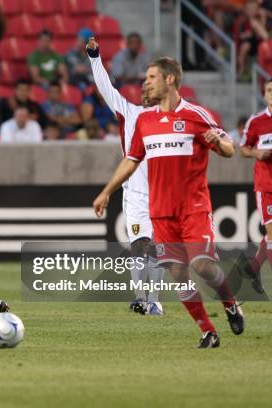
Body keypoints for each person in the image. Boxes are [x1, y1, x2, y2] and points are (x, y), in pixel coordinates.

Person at [93, 57, 243, 348]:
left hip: (193, 208)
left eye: (151, 77)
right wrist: (106, 190)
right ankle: (208, 331)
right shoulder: (144, 121)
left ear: (170, 79)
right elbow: (131, 159)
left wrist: (219, 142)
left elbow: (228, 147)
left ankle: (230, 304)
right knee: (178, 273)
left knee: (202, 266)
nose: (145, 82)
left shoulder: (196, 114)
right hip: (160, 212)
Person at [87, 37, 164, 315]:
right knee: (139, 245)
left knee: (156, 249)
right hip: (135, 194)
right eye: (143, 87)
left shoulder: (168, 118)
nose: (145, 90)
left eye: (150, 86)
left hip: (163, 192)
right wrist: (95, 58)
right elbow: (106, 88)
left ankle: (154, 301)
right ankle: (141, 299)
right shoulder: (128, 112)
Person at [239, 78, 272, 294]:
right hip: (266, 186)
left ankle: (252, 268)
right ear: (264, 94)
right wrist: (256, 152)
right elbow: (243, 149)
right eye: (269, 90)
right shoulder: (256, 121)